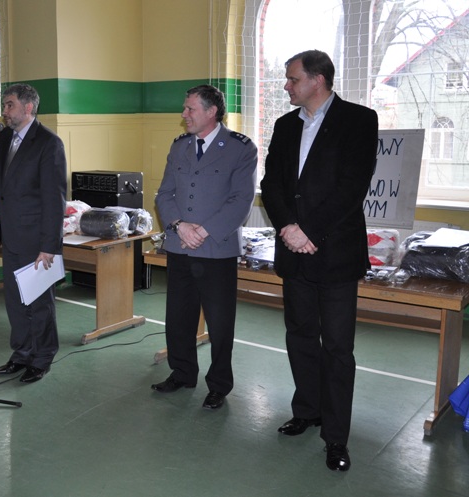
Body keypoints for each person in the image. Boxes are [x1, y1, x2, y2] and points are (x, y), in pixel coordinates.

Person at [260, 50, 378, 472]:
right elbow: (271, 183)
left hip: (335, 253)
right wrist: (288, 228)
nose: (287, 86)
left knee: (338, 349)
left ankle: (336, 436)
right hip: (295, 252)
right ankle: (307, 410)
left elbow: (352, 188)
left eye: (293, 79)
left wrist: (308, 231)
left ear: (318, 80)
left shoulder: (359, 120)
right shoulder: (285, 125)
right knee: (300, 336)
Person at [154, 84, 258, 410]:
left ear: (211, 112)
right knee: (178, 317)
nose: (184, 114)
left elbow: (241, 199)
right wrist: (179, 226)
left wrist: (204, 230)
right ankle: (182, 373)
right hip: (180, 245)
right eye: (185, 108)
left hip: (216, 248)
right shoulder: (180, 146)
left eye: (190, 109)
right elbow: (164, 194)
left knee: (220, 322)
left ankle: (219, 385)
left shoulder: (240, 148)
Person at [0, 83, 67, 384]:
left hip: (36, 238)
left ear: (28, 108)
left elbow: (55, 199)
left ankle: (42, 358)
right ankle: (21, 353)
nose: (4, 111)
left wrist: (49, 246)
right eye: (4, 105)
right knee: (15, 301)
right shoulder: (4, 139)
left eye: (10, 105)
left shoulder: (48, 143)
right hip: (11, 235)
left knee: (39, 302)